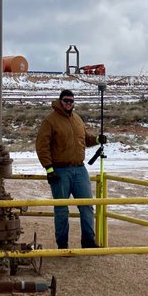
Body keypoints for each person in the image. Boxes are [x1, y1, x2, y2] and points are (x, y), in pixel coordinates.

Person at [35, 89, 106, 249]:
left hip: (79, 169)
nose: (69, 103)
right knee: (61, 209)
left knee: (87, 206)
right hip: (60, 171)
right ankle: (62, 245)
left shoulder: (77, 119)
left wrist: (96, 139)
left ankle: (88, 242)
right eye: (66, 100)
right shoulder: (50, 121)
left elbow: (84, 139)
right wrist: (49, 169)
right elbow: (42, 146)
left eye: (71, 101)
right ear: (60, 101)